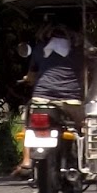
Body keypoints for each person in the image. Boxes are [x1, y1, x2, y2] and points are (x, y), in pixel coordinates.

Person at [15, 24, 86, 174]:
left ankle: (27, 160)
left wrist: (27, 79)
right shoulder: (78, 51)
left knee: (28, 125)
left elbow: (32, 75)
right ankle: (84, 159)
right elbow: (85, 73)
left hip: (42, 98)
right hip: (71, 100)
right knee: (83, 127)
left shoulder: (40, 49)